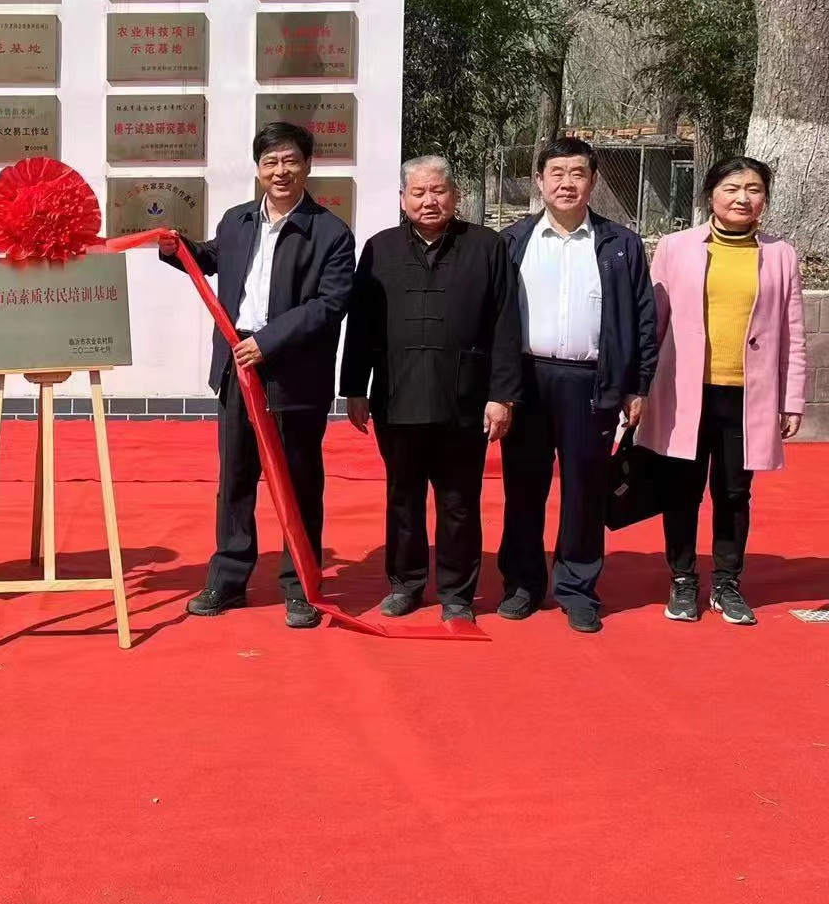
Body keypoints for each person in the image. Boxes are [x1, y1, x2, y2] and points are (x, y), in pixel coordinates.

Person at [157, 122, 356, 629]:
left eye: (290, 161)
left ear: (307, 166)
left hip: (293, 373)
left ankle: (301, 585)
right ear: (259, 169)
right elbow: (212, 258)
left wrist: (268, 342)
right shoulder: (238, 220)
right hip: (237, 367)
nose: (280, 171)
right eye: (271, 162)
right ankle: (227, 580)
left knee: (298, 482)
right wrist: (175, 248)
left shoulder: (330, 232)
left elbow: (329, 304)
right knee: (236, 479)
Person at [340, 156, 522, 623]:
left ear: (455, 195)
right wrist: (354, 387)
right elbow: (361, 323)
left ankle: (457, 593)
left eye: (438, 190)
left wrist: (502, 395)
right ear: (403, 199)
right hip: (397, 395)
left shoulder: (486, 246)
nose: (429, 201)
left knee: (459, 501)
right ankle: (406, 584)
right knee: (403, 497)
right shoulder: (380, 248)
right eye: (418, 192)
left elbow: (506, 324)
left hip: (464, 398)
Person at [495, 138, 658, 633]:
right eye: (557, 173)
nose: (567, 183)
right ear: (539, 180)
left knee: (585, 490)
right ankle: (522, 583)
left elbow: (643, 319)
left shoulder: (620, 245)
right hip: (526, 381)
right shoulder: (512, 241)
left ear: (593, 180)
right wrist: (497, 388)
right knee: (524, 488)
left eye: (578, 173)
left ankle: (578, 588)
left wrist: (637, 385)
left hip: (592, 382)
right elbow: (493, 319)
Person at [639, 156, 806, 626]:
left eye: (753, 189)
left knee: (734, 493)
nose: (742, 198)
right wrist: (638, 388)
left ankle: (727, 582)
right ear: (711, 194)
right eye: (732, 188)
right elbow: (653, 324)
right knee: (681, 490)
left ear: (764, 199)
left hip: (747, 396)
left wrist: (792, 398)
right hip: (684, 393)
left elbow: (793, 332)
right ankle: (683, 579)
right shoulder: (675, 247)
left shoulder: (781, 254)